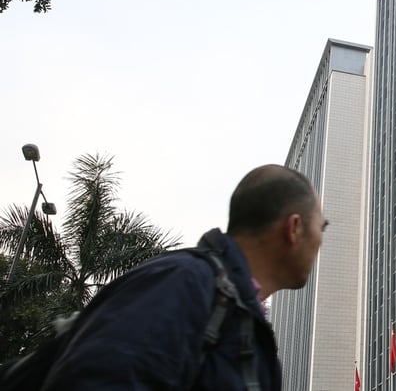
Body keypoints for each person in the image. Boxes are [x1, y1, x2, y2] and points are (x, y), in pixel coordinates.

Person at [40, 164, 328, 390]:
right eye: (321, 227)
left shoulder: (239, 317)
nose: (321, 241)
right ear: (294, 228)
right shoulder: (183, 282)